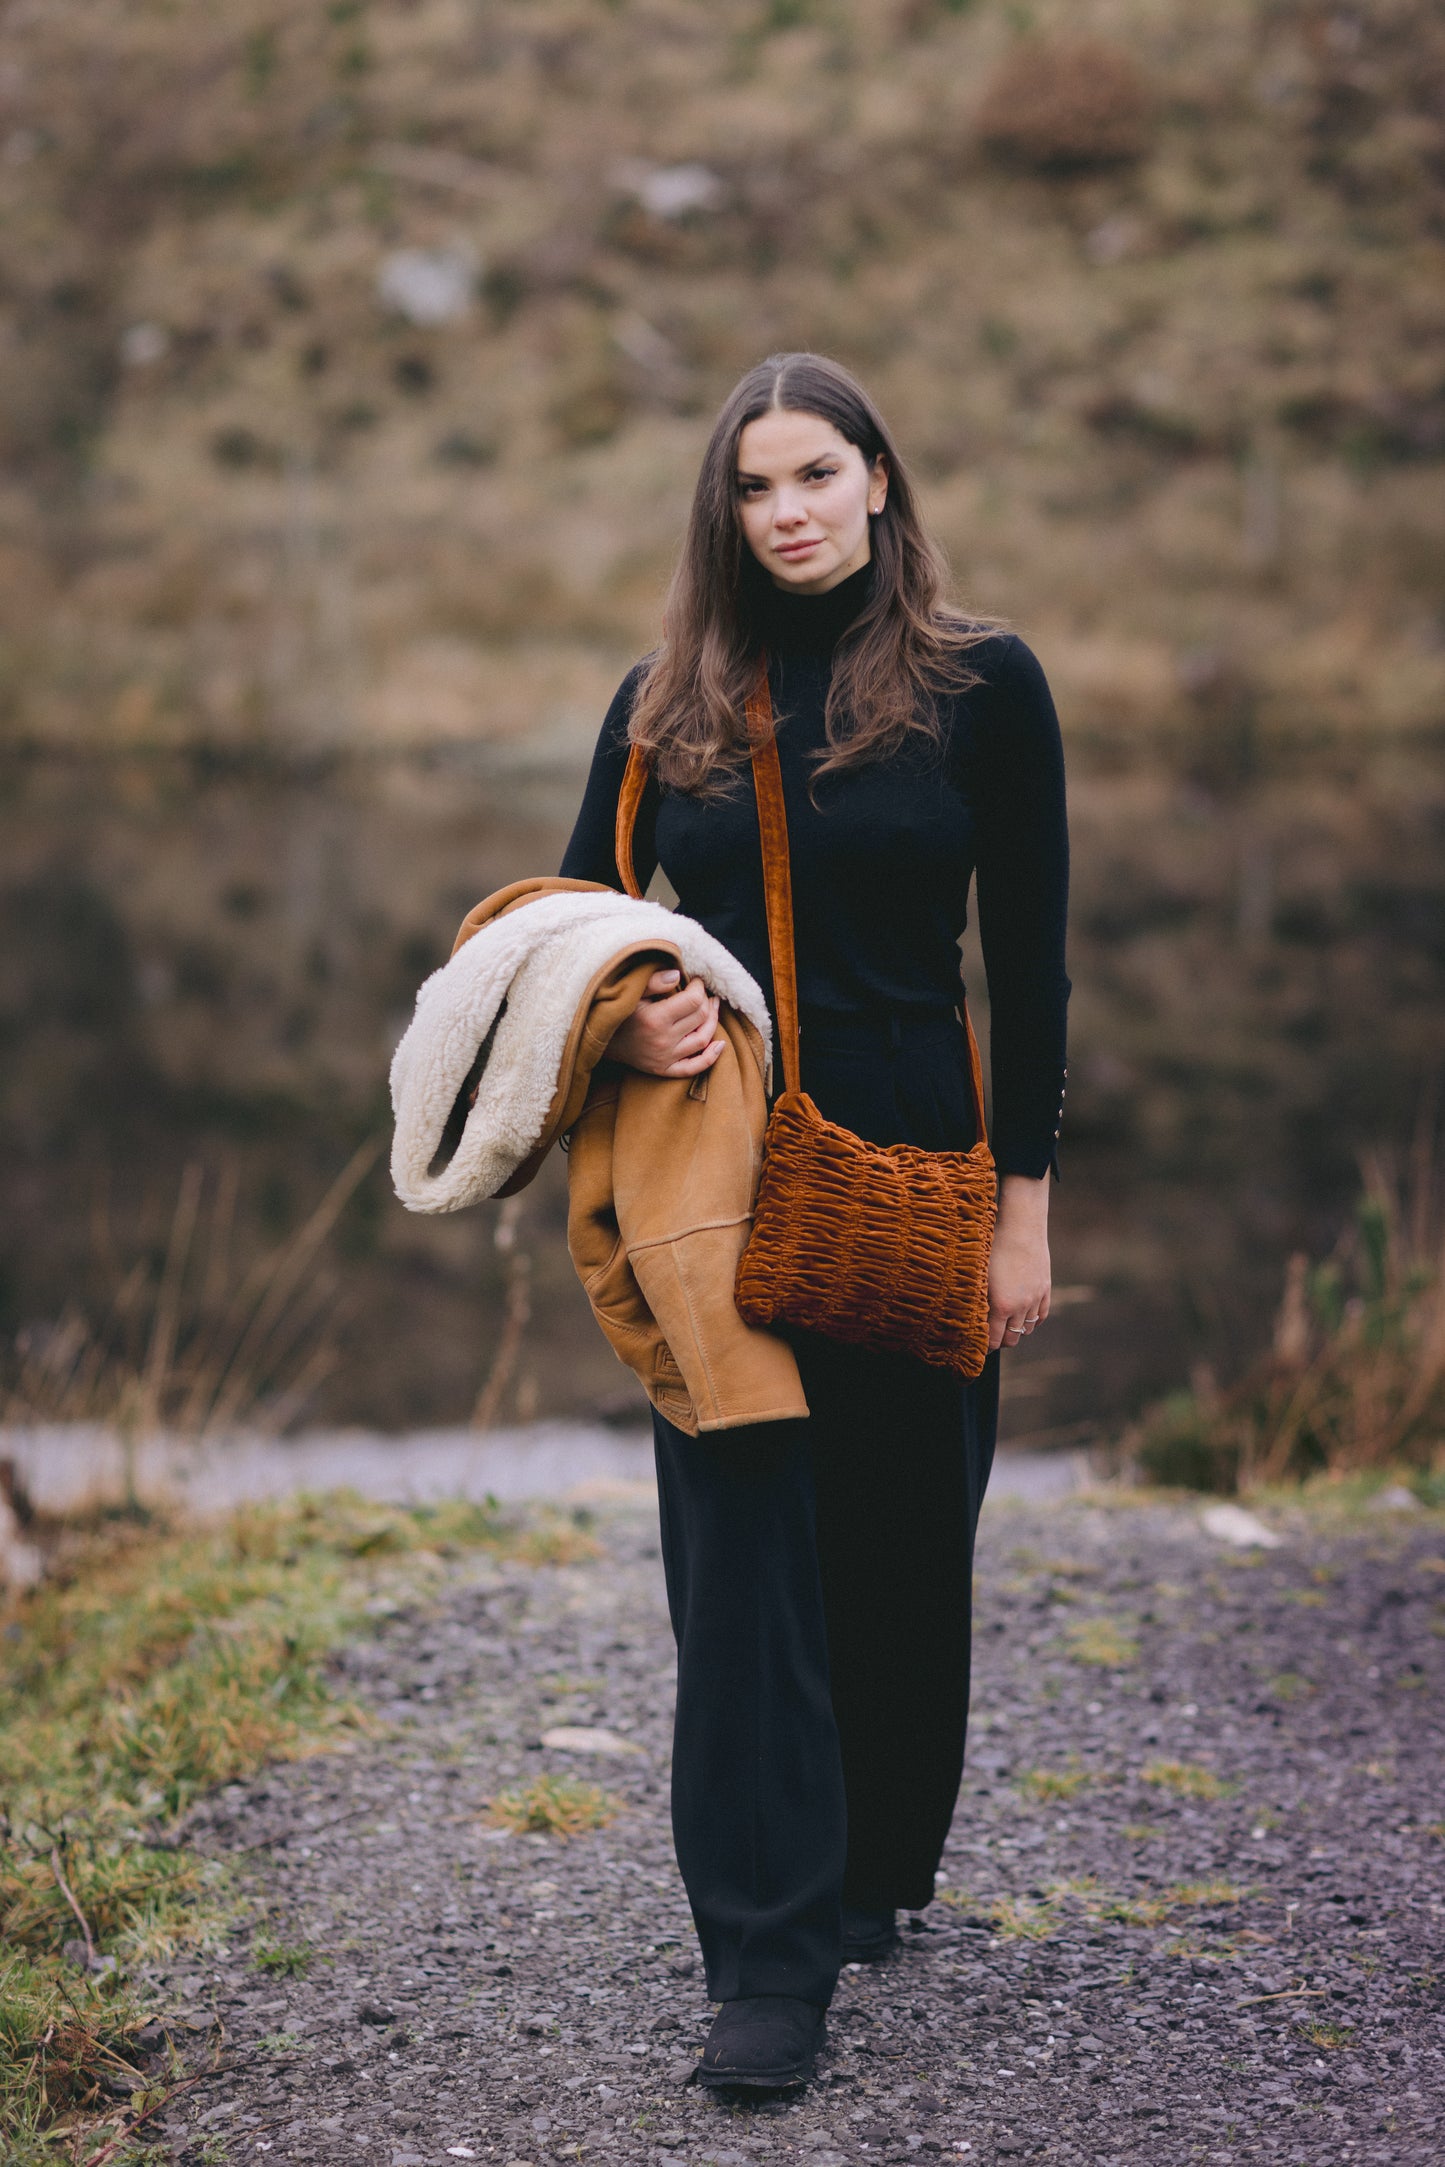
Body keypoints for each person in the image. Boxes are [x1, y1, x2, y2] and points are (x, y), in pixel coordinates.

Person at [560, 352, 1069, 2089]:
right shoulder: (667, 696)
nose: (785, 513)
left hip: (917, 1143)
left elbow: (1039, 957)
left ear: (877, 481)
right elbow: (572, 922)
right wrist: (630, 1015)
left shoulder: (981, 685)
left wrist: (1026, 1216)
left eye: (814, 476)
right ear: (725, 512)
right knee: (745, 1548)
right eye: (752, 488)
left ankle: (860, 1870)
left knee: (903, 1537)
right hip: (715, 1158)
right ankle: (761, 1964)